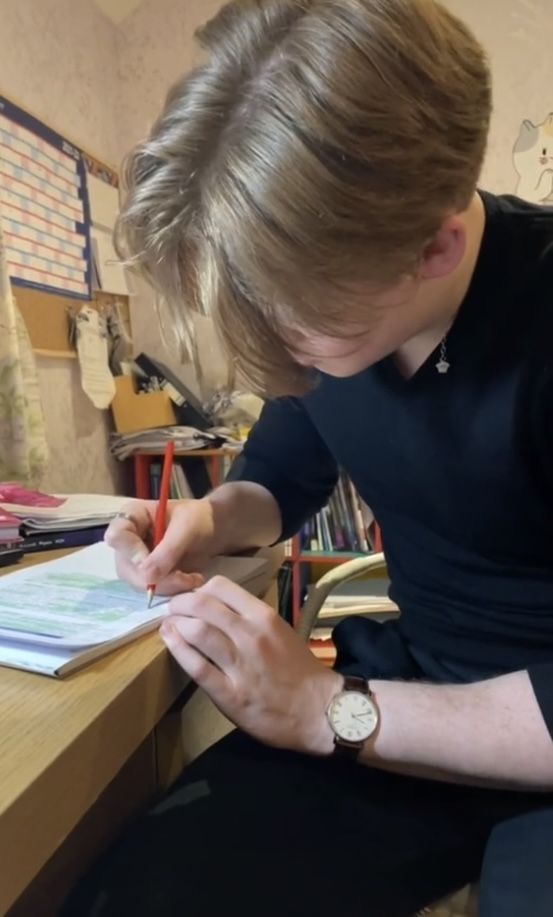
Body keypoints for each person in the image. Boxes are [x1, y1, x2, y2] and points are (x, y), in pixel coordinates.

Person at [63, 1, 553, 914]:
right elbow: (275, 484)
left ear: (434, 247)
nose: (277, 360)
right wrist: (198, 521)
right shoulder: (335, 315)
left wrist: (327, 710)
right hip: (415, 699)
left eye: (297, 325)